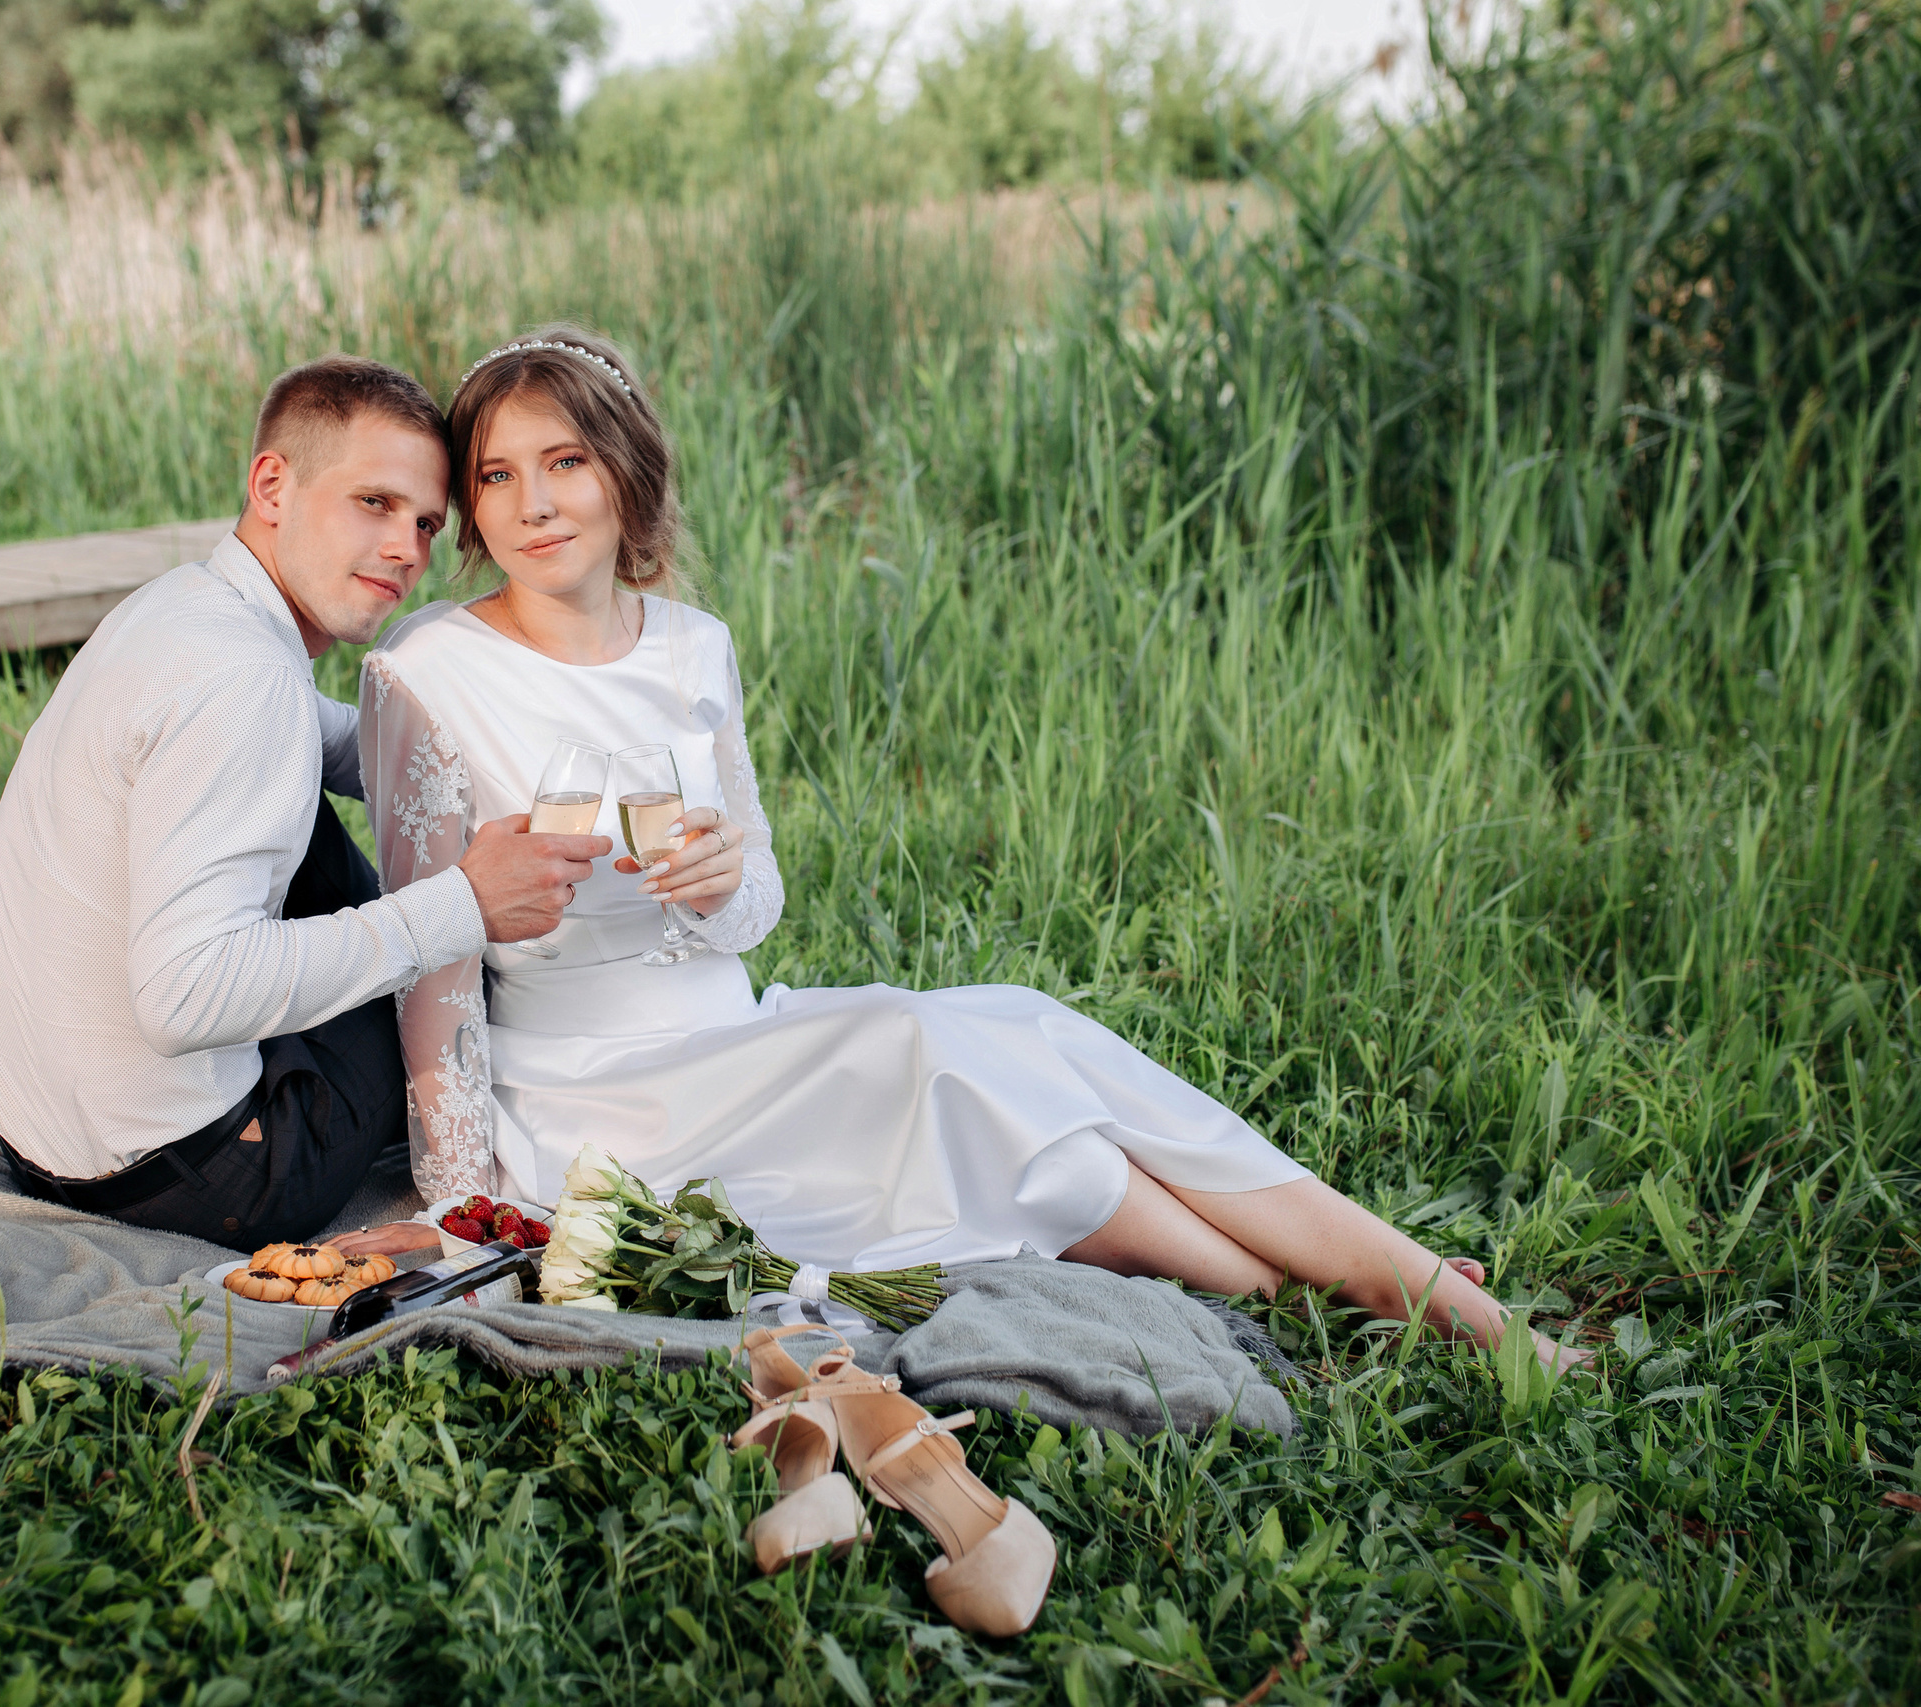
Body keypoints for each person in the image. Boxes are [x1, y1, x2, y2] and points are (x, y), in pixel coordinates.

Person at [355, 325, 1577, 1364]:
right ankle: (1362, 1295)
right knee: (931, 1050)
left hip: (741, 1031)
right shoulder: (430, 676)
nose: (533, 504)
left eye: (563, 462)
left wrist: (723, 882)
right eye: (498, 475)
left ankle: (1391, 1284)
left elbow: (754, 899)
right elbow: (432, 975)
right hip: (594, 1092)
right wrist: (470, 1209)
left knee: (1029, 1029)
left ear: (622, 469)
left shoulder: (692, 645)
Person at [0, 356, 612, 1255]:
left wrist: (487, 761)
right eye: (375, 504)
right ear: (273, 484)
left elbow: (334, 740)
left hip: (39, 1136)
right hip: (199, 1172)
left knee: (307, 808)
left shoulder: (187, 608)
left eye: (427, 522)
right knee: (431, 983)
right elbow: (185, 998)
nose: (408, 551)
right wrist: (463, 904)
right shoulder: (245, 684)